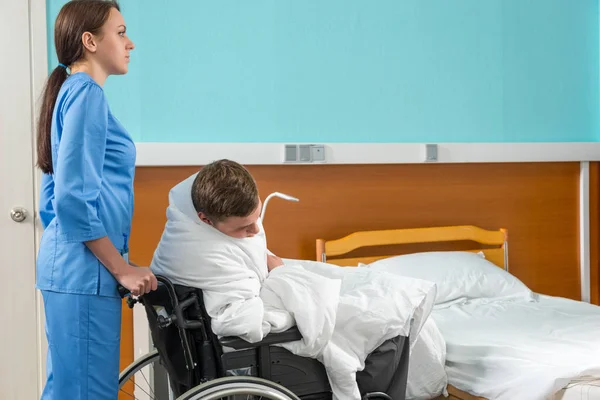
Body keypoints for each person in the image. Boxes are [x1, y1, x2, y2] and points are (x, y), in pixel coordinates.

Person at [150, 159, 436, 399]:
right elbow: (243, 323)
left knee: (382, 290)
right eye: (243, 228)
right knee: (387, 321)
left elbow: (251, 254)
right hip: (258, 348)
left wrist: (268, 259)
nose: (254, 232)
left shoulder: (184, 228)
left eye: (257, 218)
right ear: (206, 219)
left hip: (230, 314)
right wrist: (298, 310)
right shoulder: (207, 256)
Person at [35, 1, 157, 399]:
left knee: (68, 390)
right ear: (90, 41)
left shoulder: (71, 92)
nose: (130, 43)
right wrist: (120, 267)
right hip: (84, 275)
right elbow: (70, 199)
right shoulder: (87, 95)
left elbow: (52, 198)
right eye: (120, 33)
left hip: (73, 270)